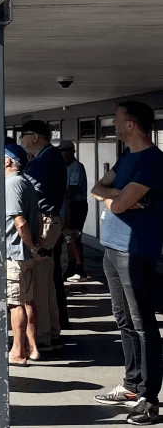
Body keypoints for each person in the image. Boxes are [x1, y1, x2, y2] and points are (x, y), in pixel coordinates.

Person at [91, 100, 163, 425]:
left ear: (131, 124)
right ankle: (132, 385)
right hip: (111, 248)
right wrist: (117, 196)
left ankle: (149, 398)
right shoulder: (127, 157)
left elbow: (117, 205)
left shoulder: (152, 161)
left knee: (143, 323)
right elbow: (98, 188)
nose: (114, 124)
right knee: (124, 320)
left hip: (135, 252)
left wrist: (114, 198)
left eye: (117, 120)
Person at [19, 119, 67, 353]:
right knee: (46, 282)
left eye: (23, 135)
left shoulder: (43, 161)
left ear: (35, 137)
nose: (21, 140)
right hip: (49, 220)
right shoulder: (49, 157)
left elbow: (28, 191)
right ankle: (52, 332)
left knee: (38, 283)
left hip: (44, 222)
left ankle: (42, 337)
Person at [4, 143, 41, 367]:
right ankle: (32, 347)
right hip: (23, 253)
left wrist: (31, 247)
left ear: (7, 161)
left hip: (14, 253)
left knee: (15, 303)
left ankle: (18, 352)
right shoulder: (26, 182)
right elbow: (36, 218)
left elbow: (20, 221)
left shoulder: (11, 184)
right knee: (27, 301)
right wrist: (34, 246)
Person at [60, 140, 89, 281]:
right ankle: (71, 267)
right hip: (67, 205)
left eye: (64, 151)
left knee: (74, 237)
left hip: (76, 206)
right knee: (68, 238)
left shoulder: (77, 167)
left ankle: (80, 269)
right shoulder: (64, 167)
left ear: (71, 151)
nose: (62, 154)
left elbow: (71, 190)